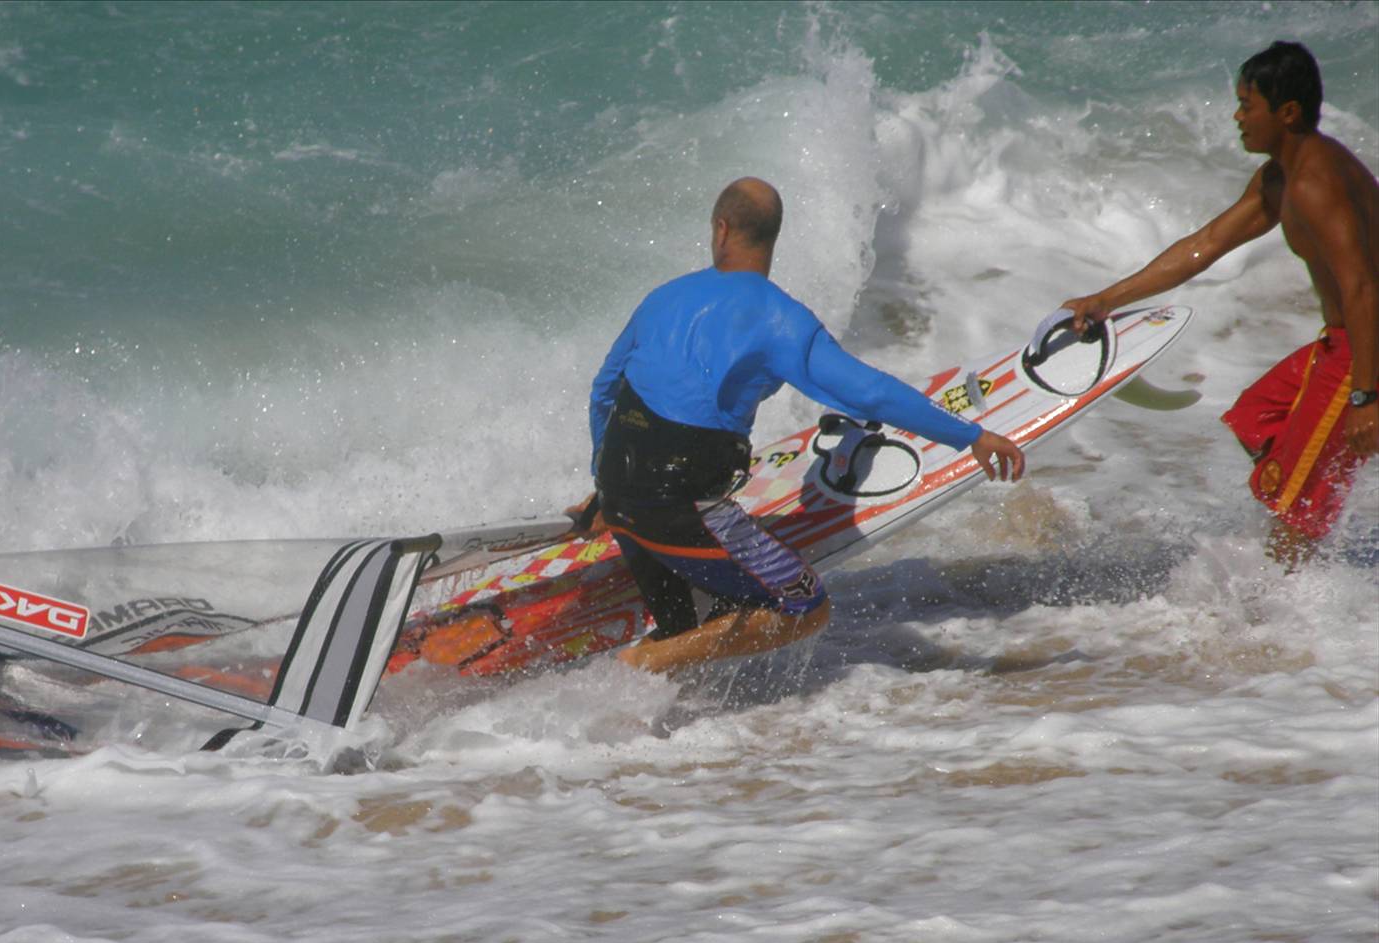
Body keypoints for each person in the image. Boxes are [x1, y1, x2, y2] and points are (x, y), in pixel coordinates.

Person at [582, 177, 1025, 674]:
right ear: (772, 239)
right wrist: (972, 435)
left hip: (620, 498)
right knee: (804, 608)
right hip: (678, 506)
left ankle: (656, 670)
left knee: (695, 620)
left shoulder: (662, 299)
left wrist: (603, 492)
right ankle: (640, 662)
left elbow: (604, 390)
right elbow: (872, 393)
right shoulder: (784, 322)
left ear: (720, 229)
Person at [1061, 41, 1378, 563]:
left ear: (1287, 112)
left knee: (1293, 499)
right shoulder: (1279, 178)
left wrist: (1366, 397)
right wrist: (1105, 300)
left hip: (1362, 352)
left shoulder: (1317, 183)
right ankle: (1308, 508)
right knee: (1255, 417)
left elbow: (1365, 288)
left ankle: (1290, 596)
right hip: (1340, 345)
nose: (1237, 117)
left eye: (1247, 105)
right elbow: (1203, 246)